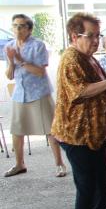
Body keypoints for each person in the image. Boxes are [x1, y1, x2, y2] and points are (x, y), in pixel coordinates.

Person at [51, 13, 106, 209]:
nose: (95, 41)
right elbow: (79, 91)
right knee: (86, 182)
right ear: (75, 36)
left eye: (97, 35)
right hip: (76, 133)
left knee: (101, 174)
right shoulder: (71, 59)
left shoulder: (89, 58)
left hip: (94, 132)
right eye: (90, 36)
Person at [4, 13, 66, 178]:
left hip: (39, 92)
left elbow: (40, 71)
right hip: (20, 94)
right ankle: (19, 164)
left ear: (29, 29)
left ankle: (60, 164)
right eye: (15, 25)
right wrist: (11, 62)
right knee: (16, 131)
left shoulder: (38, 45)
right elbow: (10, 76)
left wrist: (19, 59)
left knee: (50, 130)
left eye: (22, 26)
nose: (17, 29)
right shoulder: (9, 46)